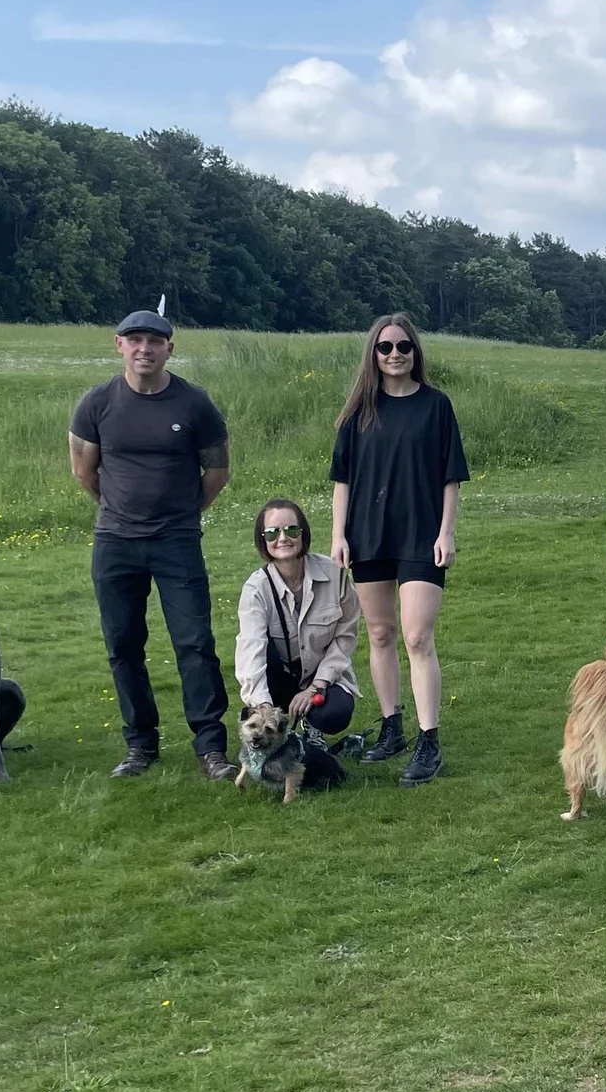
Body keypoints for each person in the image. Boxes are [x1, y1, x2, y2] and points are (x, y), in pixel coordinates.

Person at [69, 308, 234, 780]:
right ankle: (140, 744)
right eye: (134, 340)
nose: (145, 348)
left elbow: (217, 471)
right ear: (118, 345)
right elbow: (83, 469)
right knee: (123, 645)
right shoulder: (97, 403)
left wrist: (182, 514)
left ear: (169, 349)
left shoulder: (194, 404)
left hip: (176, 542)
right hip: (115, 543)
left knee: (195, 643)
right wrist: (118, 509)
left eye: (155, 341)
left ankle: (211, 749)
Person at [330, 312, 469, 787]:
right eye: (385, 347)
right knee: (381, 633)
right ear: (373, 354)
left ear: (415, 352)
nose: (394, 355)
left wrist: (446, 532)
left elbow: (451, 476)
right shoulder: (358, 412)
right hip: (369, 533)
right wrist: (338, 535)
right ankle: (391, 726)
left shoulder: (436, 406)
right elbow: (342, 481)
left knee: (416, 636)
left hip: (420, 532)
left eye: (403, 347)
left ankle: (428, 741)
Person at [233, 497, 361, 740]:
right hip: (279, 678)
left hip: (321, 676)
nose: (283, 538)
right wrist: (262, 706)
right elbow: (251, 649)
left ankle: (314, 728)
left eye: (291, 530)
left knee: (334, 713)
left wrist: (316, 687)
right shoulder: (256, 589)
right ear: (263, 540)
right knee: (262, 653)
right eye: (272, 533)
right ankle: (266, 722)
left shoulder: (335, 574)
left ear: (303, 534)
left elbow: (346, 637)